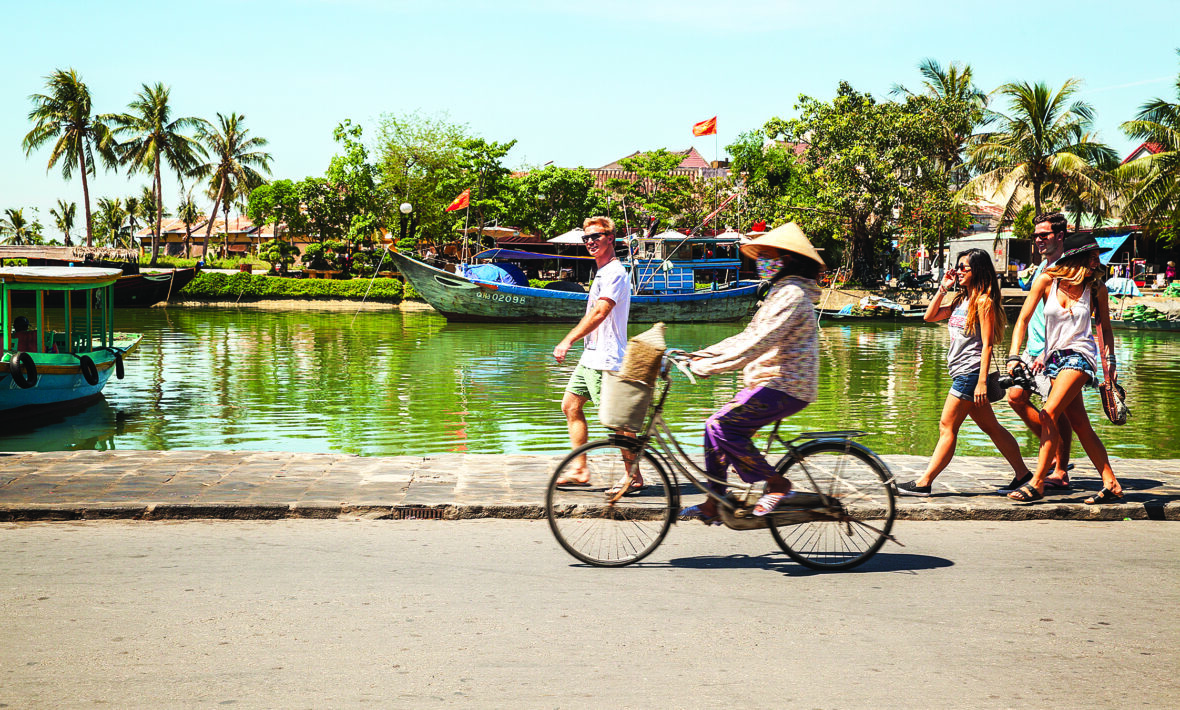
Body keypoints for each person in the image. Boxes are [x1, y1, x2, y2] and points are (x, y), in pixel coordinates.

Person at [680, 223, 824, 522]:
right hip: (768, 383)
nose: (760, 262)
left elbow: (757, 344)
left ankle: (777, 484)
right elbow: (745, 337)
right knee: (713, 430)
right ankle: (715, 501)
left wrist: (709, 367)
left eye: (767, 255)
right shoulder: (779, 293)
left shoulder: (792, 296)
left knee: (721, 426)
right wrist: (698, 355)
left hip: (787, 386)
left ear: (786, 260)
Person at [895, 249, 1032, 496]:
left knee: (947, 426)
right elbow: (929, 316)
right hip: (961, 371)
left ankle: (924, 483)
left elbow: (988, 345)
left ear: (977, 271)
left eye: (963, 268)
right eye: (957, 267)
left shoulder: (984, 302)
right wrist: (943, 288)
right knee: (991, 427)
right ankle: (1023, 474)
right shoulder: (962, 300)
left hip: (971, 373)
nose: (957, 272)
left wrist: (981, 384)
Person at [1005, 232, 1124, 504]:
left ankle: (1036, 483)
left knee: (1048, 413)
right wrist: (1014, 356)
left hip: (1080, 357)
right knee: (1081, 424)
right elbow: (1022, 320)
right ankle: (1111, 483)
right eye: (1092, 256)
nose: (1097, 261)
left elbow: (1105, 328)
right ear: (1077, 257)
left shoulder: (1095, 288)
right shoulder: (1047, 280)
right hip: (1053, 359)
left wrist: (1111, 364)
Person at [552, 216, 632, 486]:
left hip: (606, 358)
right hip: (592, 356)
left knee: (615, 422)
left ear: (610, 239)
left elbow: (600, 312)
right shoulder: (602, 271)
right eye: (586, 238)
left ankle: (633, 475)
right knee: (571, 406)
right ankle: (580, 470)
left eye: (595, 237)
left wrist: (568, 340)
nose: (589, 242)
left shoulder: (615, 273)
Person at [1004, 212, 1074, 491]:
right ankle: (1055, 454)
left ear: (1060, 236)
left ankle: (1059, 469)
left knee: (1060, 413)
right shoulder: (1041, 268)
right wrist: (1017, 352)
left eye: (1043, 235)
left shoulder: (1067, 270)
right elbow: (1027, 316)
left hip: (1055, 355)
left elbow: (1070, 317)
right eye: (1035, 235)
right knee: (1016, 397)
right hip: (1033, 352)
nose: (1038, 240)